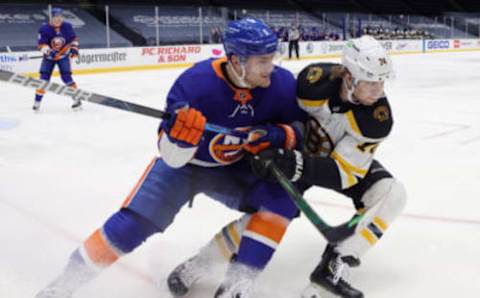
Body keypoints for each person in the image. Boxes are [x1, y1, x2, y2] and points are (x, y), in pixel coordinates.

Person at [35, 17, 307, 298]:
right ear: (237, 60)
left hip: (237, 168)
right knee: (131, 226)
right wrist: (180, 140)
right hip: (185, 168)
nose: (271, 68)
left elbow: (301, 131)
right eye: (262, 61)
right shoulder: (195, 84)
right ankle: (61, 287)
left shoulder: (281, 85)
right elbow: (171, 157)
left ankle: (235, 283)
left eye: (271, 58)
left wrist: (278, 135)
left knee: (283, 199)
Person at [171, 35, 407, 298]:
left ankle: (334, 267)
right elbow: (276, 108)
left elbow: (344, 174)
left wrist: (297, 164)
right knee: (269, 215)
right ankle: (199, 264)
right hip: (292, 151)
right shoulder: (313, 82)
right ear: (349, 77)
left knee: (392, 193)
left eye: (382, 81)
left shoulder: (376, 119)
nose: (379, 90)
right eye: (371, 81)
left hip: (331, 163)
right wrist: (267, 138)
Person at [33, 7, 81, 111]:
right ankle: (37, 103)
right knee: (44, 79)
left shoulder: (67, 26)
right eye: (56, 17)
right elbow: (41, 45)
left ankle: (77, 100)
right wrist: (49, 51)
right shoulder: (44, 28)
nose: (58, 19)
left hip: (63, 56)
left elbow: (74, 39)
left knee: (66, 77)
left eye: (60, 17)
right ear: (51, 17)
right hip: (49, 58)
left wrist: (74, 48)